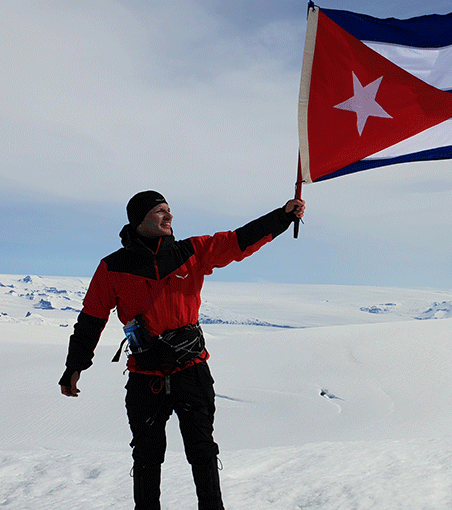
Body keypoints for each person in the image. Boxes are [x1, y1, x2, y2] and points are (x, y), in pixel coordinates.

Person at [59, 190, 305, 510]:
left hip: (191, 370)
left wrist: (283, 216)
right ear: (139, 220)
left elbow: (238, 241)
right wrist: (74, 366)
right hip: (145, 376)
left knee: (202, 450)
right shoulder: (113, 267)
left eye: (169, 210)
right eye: (160, 211)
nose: (169, 216)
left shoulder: (192, 251)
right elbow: (91, 319)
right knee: (146, 455)